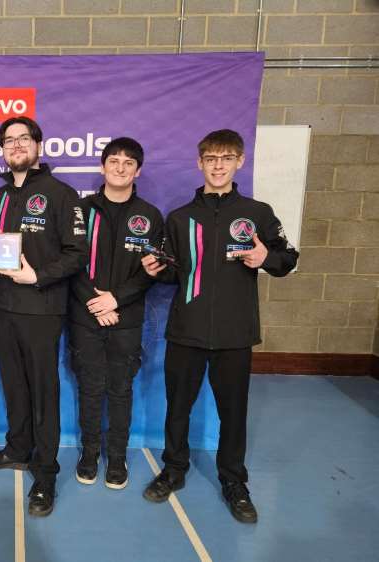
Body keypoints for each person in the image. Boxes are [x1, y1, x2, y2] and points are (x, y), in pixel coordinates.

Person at [141, 129, 299, 523]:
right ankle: (174, 469)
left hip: (234, 333)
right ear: (199, 163)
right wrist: (153, 270)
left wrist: (266, 257)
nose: (218, 165)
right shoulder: (179, 218)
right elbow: (170, 273)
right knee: (178, 407)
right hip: (187, 330)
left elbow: (287, 259)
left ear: (239, 162)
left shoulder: (257, 213)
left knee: (234, 412)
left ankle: (233, 482)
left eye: (226, 158)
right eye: (211, 158)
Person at [0, 116, 88, 517]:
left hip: (43, 309)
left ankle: (45, 473)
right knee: (14, 387)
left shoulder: (62, 194)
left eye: (24, 138)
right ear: (3, 150)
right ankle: (18, 449)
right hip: (4, 308)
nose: (16, 145)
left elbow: (77, 254)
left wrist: (38, 275)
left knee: (44, 393)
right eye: (9, 141)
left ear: (38, 145)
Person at [69, 137, 163, 490]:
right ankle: (90, 454)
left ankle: (118, 456)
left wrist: (116, 300)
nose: (120, 168)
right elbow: (70, 262)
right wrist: (95, 304)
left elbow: (152, 270)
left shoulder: (150, 216)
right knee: (90, 388)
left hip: (126, 318)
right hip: (84, 315)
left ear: (137, 170)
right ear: (102, 166)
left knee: (121, 389)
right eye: (114, 161)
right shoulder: (80, 210)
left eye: (128, 163)